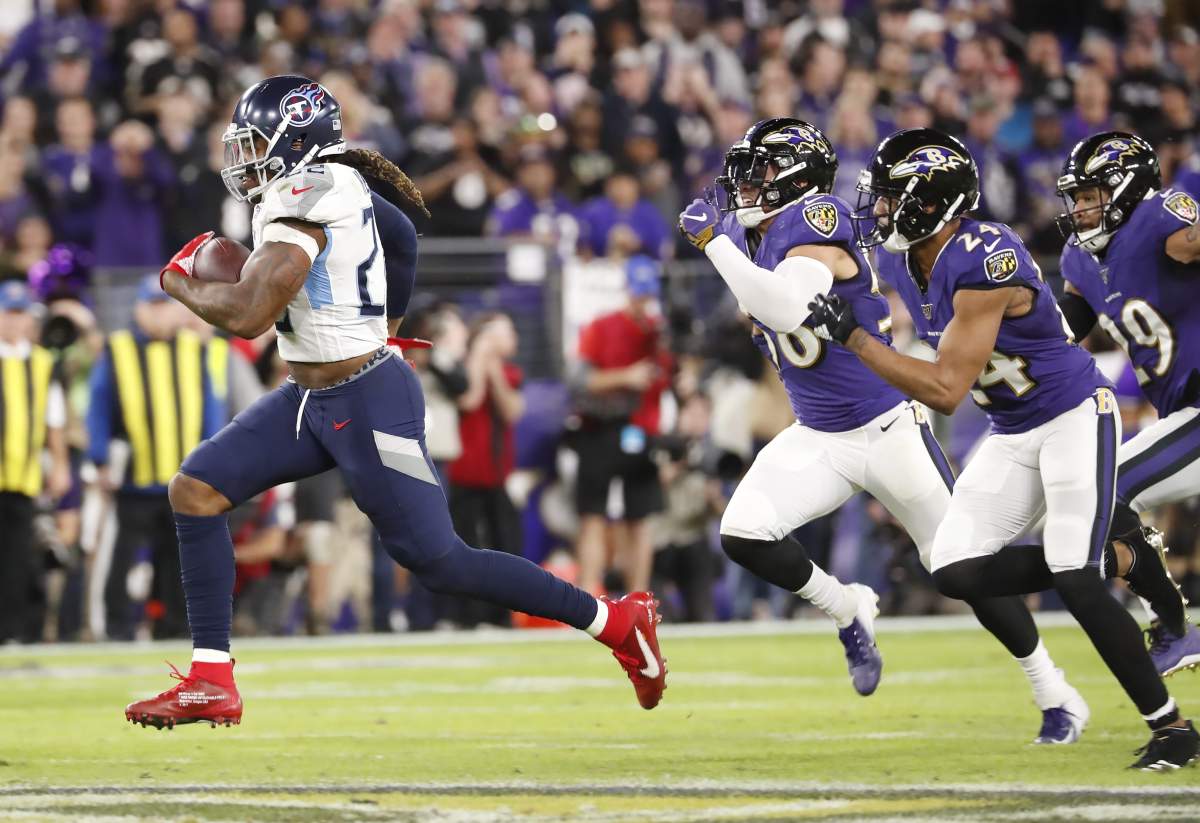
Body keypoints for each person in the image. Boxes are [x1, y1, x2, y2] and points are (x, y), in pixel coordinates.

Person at [123, 76, 667, 730]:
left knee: (440, 560)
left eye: (257, 144)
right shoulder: (332, 182)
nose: (245, 159)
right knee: (196, 489)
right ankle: (211, 679)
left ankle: (616, 621)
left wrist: (179, 282)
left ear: (297, 143)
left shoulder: (305, 194)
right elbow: (402, 234)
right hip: (309, 395)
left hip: (366, 399)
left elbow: (247, 315)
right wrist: (390, 324)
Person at [678, 118, 1087, 742]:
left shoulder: (816, 217)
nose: (748, 184)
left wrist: (713, 244)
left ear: (797, 177)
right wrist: (725, 244)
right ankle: (846, 606)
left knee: (960, 565)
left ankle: (1054, 692)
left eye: (763, 170)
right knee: (744, 532)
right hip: (819, 433)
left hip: (888, 427)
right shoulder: (745, 231)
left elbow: (784, 307)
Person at [808, 127, 1198, 770]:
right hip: (1013, 428)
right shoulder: (908, 261)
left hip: (1073, 416)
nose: (878, 209)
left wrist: (854, 338)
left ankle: (1173, 729)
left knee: (1074, 573)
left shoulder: (984, 253)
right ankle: (1124, 557)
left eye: (890, 197)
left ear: (929, 201)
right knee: (955, 568)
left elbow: (946, 389)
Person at [1055, 131, 1200, 675]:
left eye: (1090, 195)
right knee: (1103, 493)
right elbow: (1065, 327)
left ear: (1126, 188)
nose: (1080, 208)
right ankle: (1173, 627)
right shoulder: (1079, 258)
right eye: (1076, 197)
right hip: (1182, 411)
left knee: (1107, 487)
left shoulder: (1160, 217)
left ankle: (1173, 627)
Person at [87, 275, 225, 640]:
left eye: (166, 306)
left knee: (177, 559)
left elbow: (211, 406)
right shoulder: (118, 349)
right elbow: (98, 406)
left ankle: (173, 626)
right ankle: (117, 627)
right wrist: (99, 458)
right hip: (135, 475)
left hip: (184, 478)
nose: (160, 315)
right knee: (123, 555)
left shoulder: (195, 348)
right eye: (154, 306)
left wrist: (213, 456)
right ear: (139, 310)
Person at [569, 255, 672, 597]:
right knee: (593, 515)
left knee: (640, 518)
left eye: (648, 295)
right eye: (638, 294)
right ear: (627, 290)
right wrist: (625, 377)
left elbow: (673, 376)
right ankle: (589, 599)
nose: (643, 302)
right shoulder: (602, 325)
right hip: (601, 426)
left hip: (643, 429)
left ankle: (639, 601)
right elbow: (580, 381)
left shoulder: (661, 333)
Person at [0, 281, 71, 643]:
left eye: (20, 314)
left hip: (23, 475)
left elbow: (54, 420)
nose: (15, 322)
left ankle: (11, 631)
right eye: (8, 314)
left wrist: (60, 464)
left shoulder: (42, 363)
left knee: (16, 558)